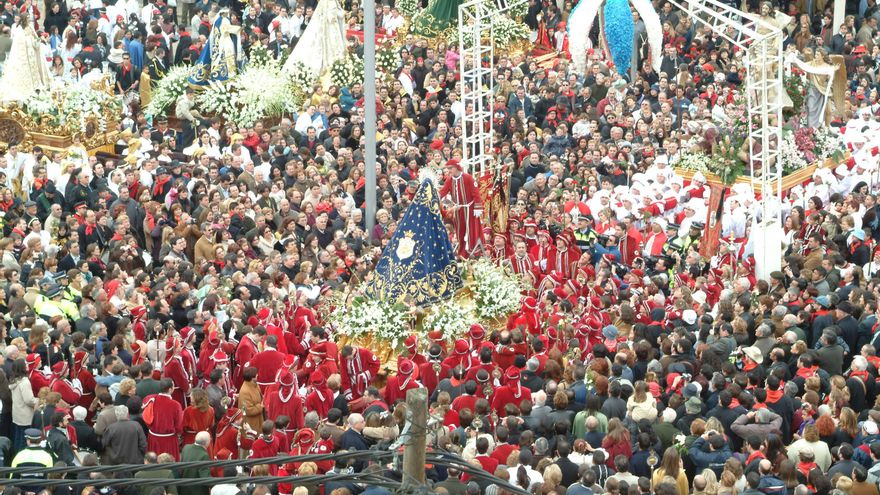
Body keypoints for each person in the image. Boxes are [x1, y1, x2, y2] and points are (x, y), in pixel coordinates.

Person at [439, 159, 484, 258]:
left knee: (472, 230)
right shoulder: (449, 180)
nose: (449, 171)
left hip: (470, 209)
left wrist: (477, 207)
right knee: (460, 231)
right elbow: (443, 191)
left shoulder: (468, 178)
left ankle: (473, 252)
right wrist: (435, 197)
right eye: (447, 168)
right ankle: (462, 253)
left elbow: (476, 193)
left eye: (450, 168)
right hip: (458, 210)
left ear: (457, 167)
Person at [0, 13, 50, 101]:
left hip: (32, 53)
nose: (29, 20)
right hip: (24, 55)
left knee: (35, 71)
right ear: (24, 19)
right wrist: (28, 41)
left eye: (29, 18)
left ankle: (37, 87)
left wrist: (38, 40)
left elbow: (35, 38)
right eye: (27, 18)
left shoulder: (31, 27)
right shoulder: (19, 30)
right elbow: (18, 44)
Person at [179, 431, 211, 495]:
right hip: (197, 491)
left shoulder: (186, 447)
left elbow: (181, 469)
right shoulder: (204, 455)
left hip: (184, 489)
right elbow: (205, 478)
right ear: (207, 442)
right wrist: (218, 483)